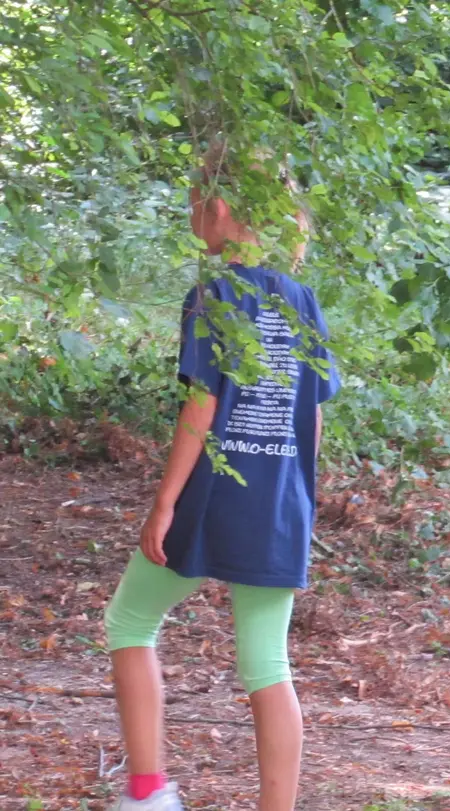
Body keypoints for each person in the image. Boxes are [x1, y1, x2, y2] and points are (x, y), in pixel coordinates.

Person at [104, 142, 339, 811]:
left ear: (223, 206)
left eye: (192, 196)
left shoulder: (212, 295)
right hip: (277, 506)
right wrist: (303, 501)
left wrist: (163, 504)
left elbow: (201, 405)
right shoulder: (302, 301)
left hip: (210, 500)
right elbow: (311, 419)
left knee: (129, 619)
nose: (188, 210)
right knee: (267, 663)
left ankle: (149, 794)